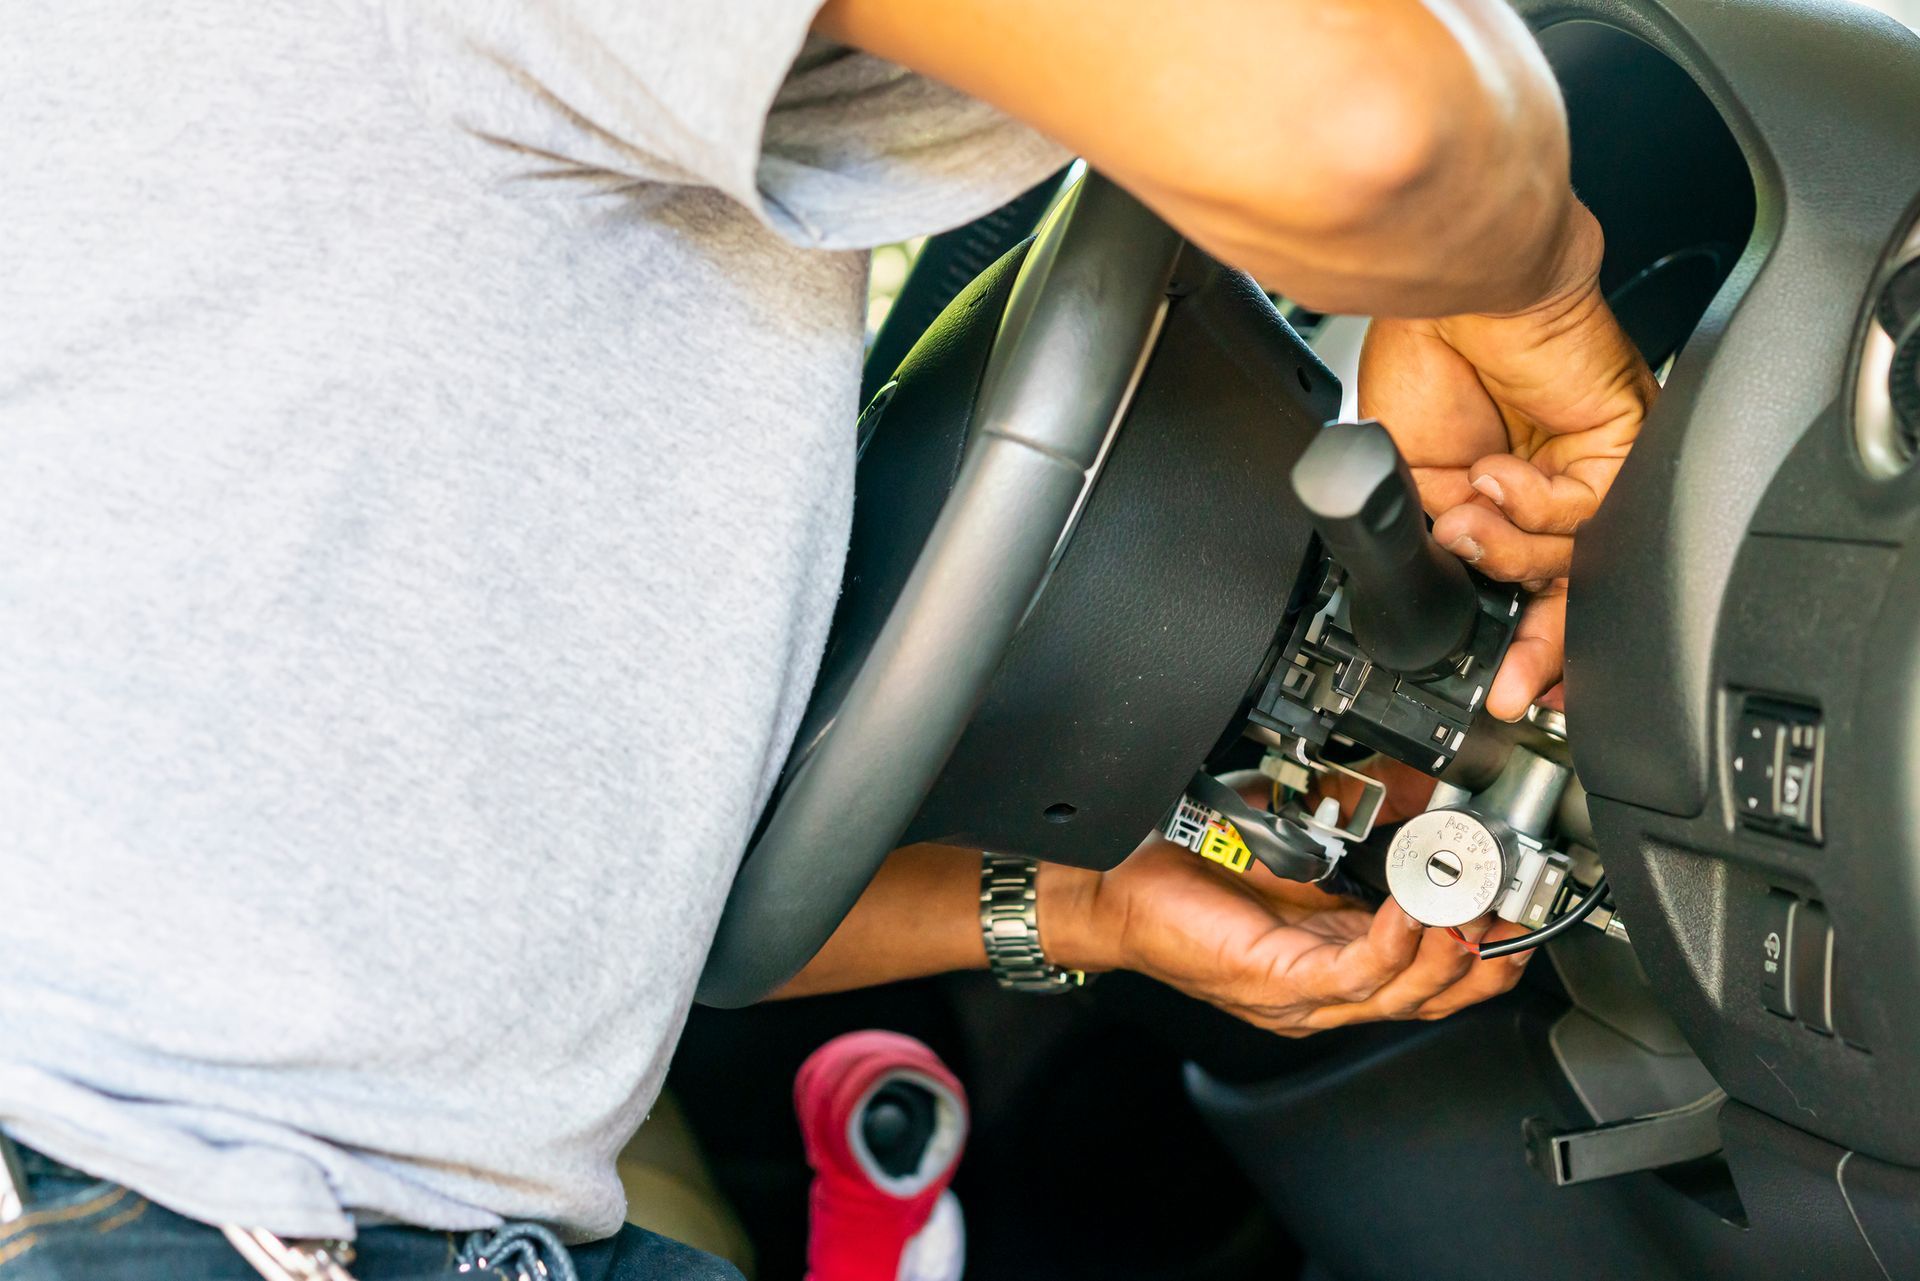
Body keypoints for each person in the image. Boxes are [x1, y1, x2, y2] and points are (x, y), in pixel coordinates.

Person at [0, 0, 1654, 1277]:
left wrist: (1083, 907)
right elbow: (1371, 127)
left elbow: (620, 912)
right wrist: (1540, 303)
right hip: (168, 1190)